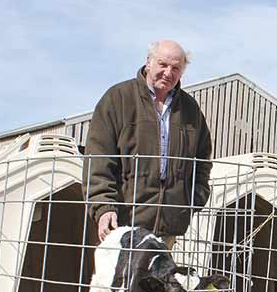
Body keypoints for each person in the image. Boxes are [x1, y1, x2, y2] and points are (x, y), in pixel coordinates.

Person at [84, 40, 212, 250]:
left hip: (168, 227)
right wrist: (103, 206)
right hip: (122, 223)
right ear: (148, 63)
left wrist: (191, 200)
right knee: (120, 282)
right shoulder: (118, 99)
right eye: (163, 64)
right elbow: (98, 158)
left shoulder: (190, 110)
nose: (168, 72)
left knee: (157, 282)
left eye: (176, 68)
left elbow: (203, 161)